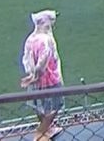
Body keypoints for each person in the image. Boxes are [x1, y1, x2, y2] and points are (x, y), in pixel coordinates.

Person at [20, 10, 63, 141]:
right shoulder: (46, 40)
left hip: (35, 81)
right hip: (50, 79)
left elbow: (26, 59)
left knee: (39, 106)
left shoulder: (30, 39)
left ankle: (47, 129)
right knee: (55, 106)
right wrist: (37, 75)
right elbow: (43, 61)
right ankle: (41, 133)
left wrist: (31, 75)